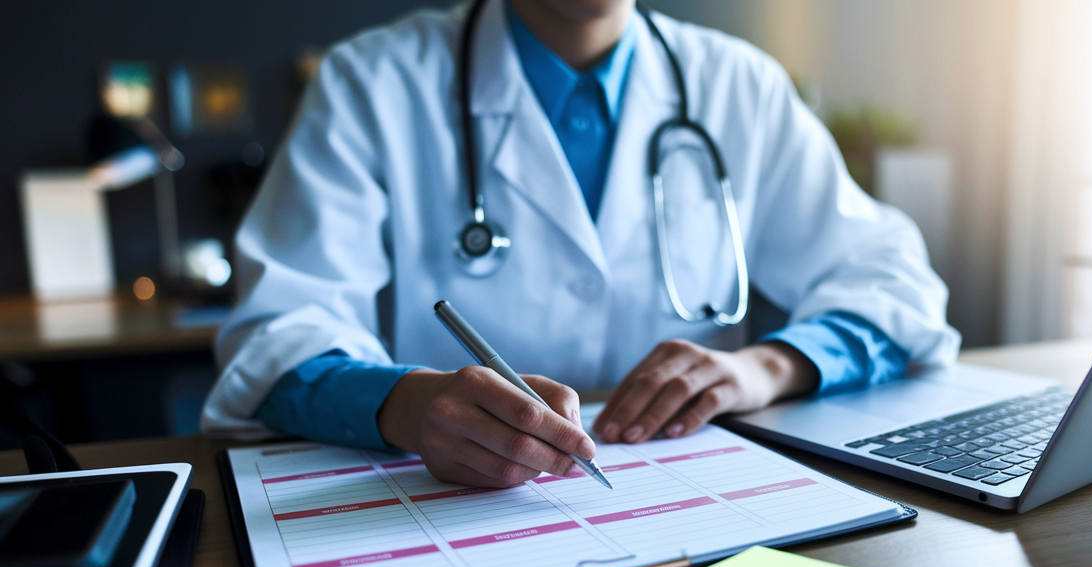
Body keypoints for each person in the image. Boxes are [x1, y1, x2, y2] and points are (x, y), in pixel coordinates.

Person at [201, 0, 960, 488]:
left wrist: (765, 367)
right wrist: (408, 406)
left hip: (690, 516)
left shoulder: (740, 86)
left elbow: (893, 288)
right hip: (450, 516)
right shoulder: (372, 84)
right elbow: (275, 336)